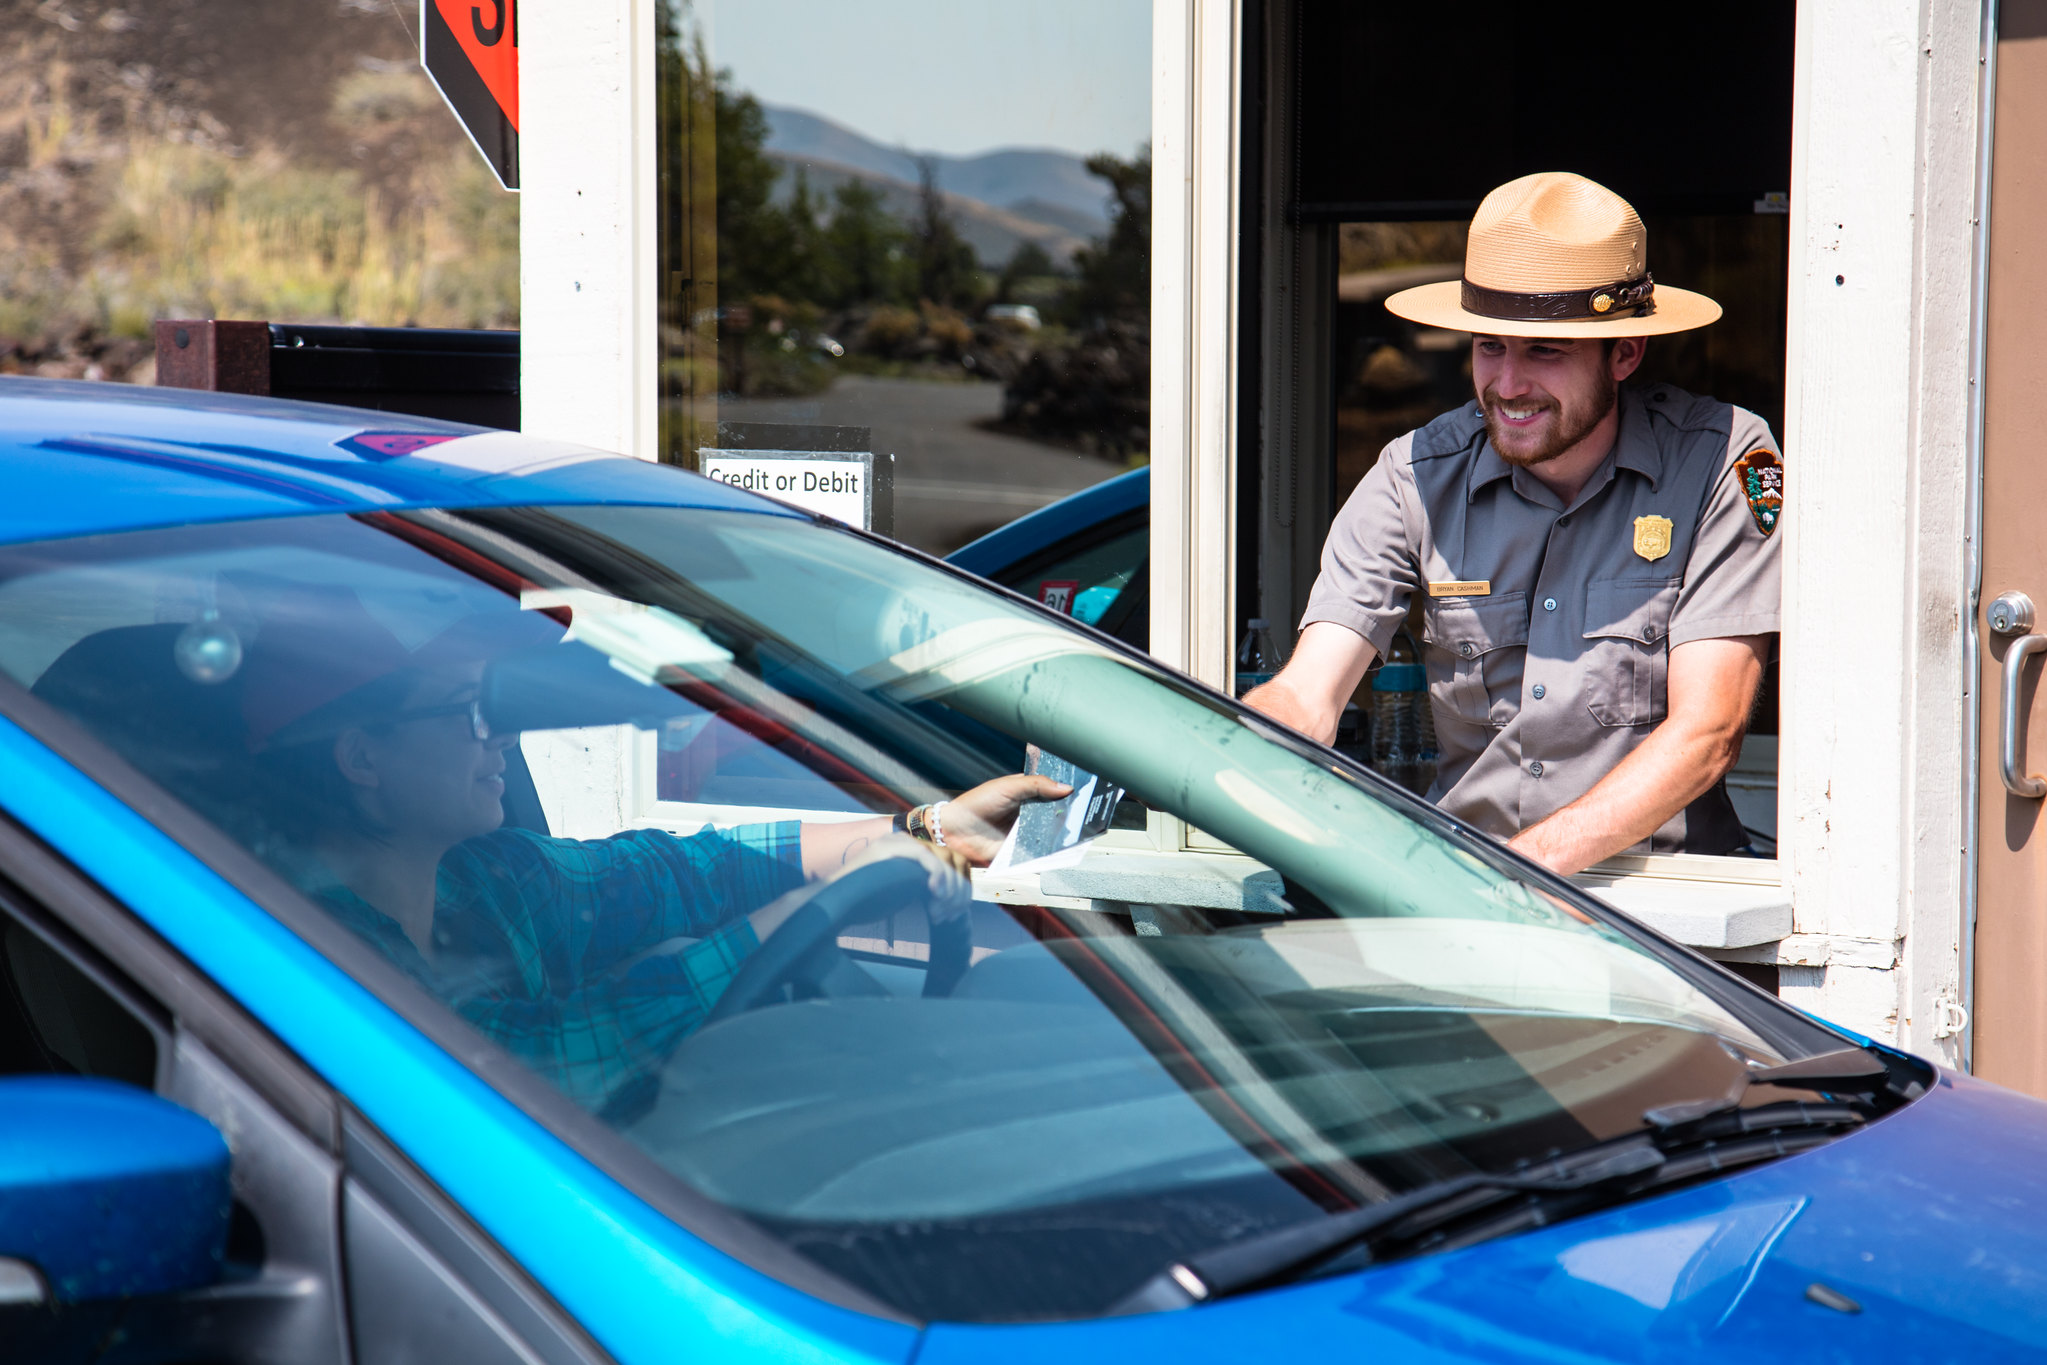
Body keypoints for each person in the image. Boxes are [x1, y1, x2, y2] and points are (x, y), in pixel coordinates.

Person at [232, 592, 1064, 1117]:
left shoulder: (489, 878)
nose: (502, 735)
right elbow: (543, 1067)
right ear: (362, 759)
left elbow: (680, 871)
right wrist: (784, 924)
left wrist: (923, 830)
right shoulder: (311, 953)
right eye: (467, 710)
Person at [1247, 172, 1781, 877]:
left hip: (1664, 912)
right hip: (1465, 897)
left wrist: (1517, 875)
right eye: (1488, 346)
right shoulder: (1414, 474)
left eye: (1544, 351)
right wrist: (1242, 745)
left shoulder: (1720, 460)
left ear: (1624, 354)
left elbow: (1706, 732)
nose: (1505, 384)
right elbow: (1308, 691)